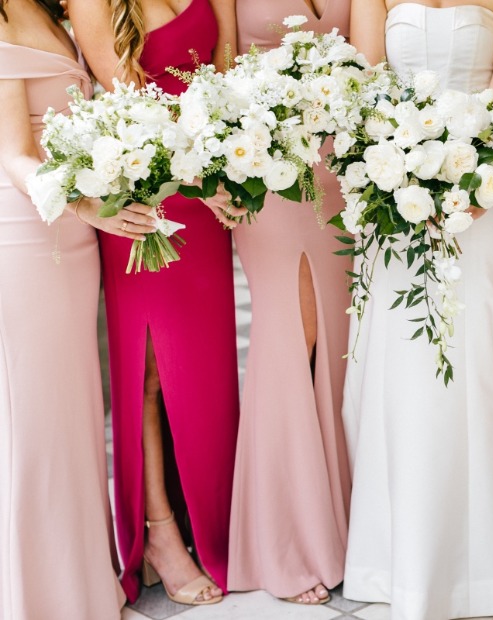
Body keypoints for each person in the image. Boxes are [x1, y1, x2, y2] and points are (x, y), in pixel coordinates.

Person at [341, 0, 493, 617]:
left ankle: (475, 563)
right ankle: (390, 561)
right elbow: (365, 86)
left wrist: (476, 183)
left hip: (484, 199)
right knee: (399, 373)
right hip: (393, 196)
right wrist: (402, 176)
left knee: (476, 369)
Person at [69, 0, 246, 605]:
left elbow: (224, 69)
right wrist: (203, 176)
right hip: (147, 198)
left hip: (208, 198)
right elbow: (133, 111)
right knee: (148, 370)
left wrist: (228, 160)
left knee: (206, 368)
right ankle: (160, 534)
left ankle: (216, 523)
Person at [215, 0, 352, 606]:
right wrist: (221, 162)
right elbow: (218, 65)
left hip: (342, 167)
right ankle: (285, 540)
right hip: (264, 168)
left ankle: (343, 525)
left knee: (339, 338)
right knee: (290, 334)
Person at [0, 1, 128, 617]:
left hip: (74, 240)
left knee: (76, 404)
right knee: (35, 413)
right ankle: (38, 596)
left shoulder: (50, 13)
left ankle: (82, 577)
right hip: (25, 233)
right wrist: (80, 205)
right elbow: (15, 154)